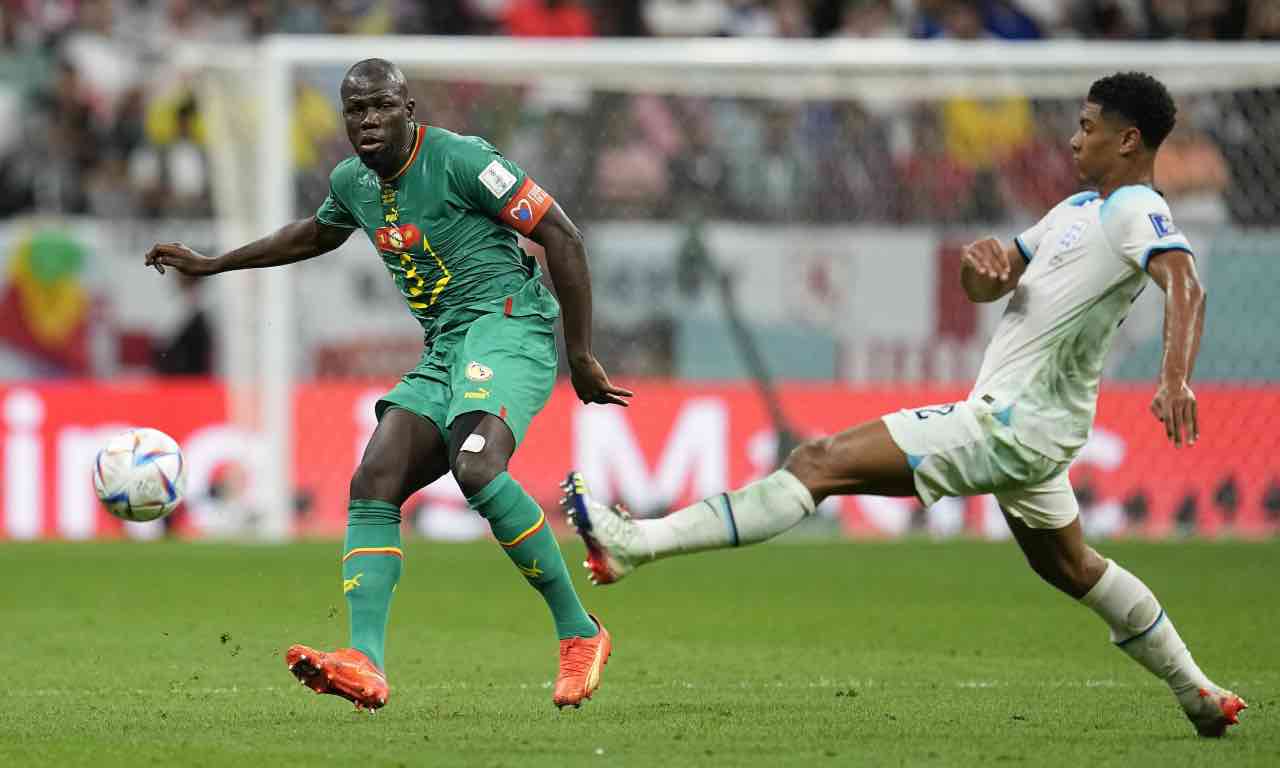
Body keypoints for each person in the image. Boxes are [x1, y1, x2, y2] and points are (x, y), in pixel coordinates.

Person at [563, 71, 1247, 737]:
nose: (1073, 140)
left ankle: (635, 544)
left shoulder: (1136, 209)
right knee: (1070, 565)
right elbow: (998, 278)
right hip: (1033, 426)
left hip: (1011, 424)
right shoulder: (1078, 211)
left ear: (1128, 142)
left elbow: (1185, 282)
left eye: (1087, 127)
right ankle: (1197, 694)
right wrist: (981, 273)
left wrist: (1175, 378)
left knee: (818, 461)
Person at [145, 58, 632, 711]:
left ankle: (580, 633)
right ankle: (365, 660)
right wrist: (215, 263)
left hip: (509, 324)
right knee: (374, 478)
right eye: (356, 111)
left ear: (408, 108)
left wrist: (580, 353)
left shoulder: (463, 160)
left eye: (381, 107)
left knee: (477, 465)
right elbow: (314, 233)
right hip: (446, 346)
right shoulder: (353, 182)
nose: (368, 121)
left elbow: (561, 235)